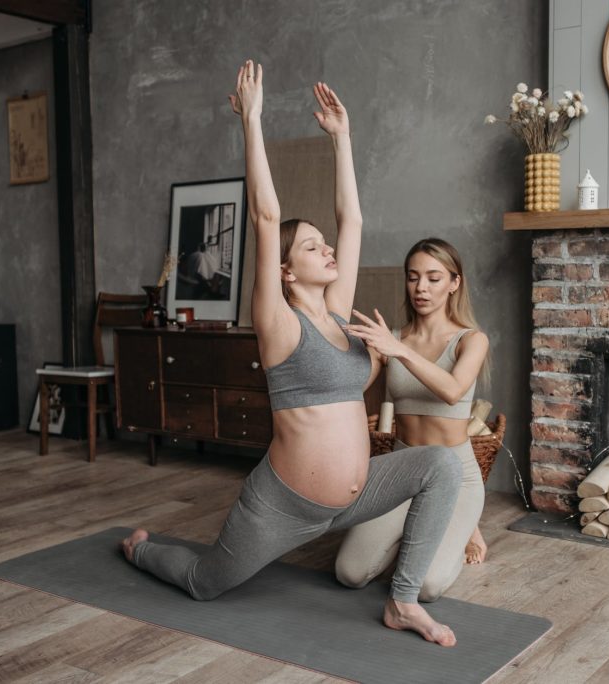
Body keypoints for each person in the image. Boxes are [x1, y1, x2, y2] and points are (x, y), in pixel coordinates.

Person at [121, 60, 462, 647]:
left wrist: (343, 139)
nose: (327, 249)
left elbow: (352, 218)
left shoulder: (336, 310)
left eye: (324, 244)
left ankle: (402, 603)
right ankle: (140, 550)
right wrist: (252, 122)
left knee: (440, 464)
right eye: (312, 247)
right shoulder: (277, 322)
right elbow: (266, 215)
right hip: (283, 506)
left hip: (353, 498)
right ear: (284, 268)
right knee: (205, 582)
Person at [336, 239, 491, 601]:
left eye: (434, 278)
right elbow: (351, 389)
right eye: (413, 277)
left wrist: (400, 352)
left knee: (426, 587)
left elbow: (452, 390)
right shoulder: (388, 339)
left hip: (455, 474)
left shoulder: (471, 340)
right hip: (402, 469)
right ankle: (419, 528)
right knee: (349, 573)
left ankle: (465, 524)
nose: (421, 287)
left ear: (454, 283)